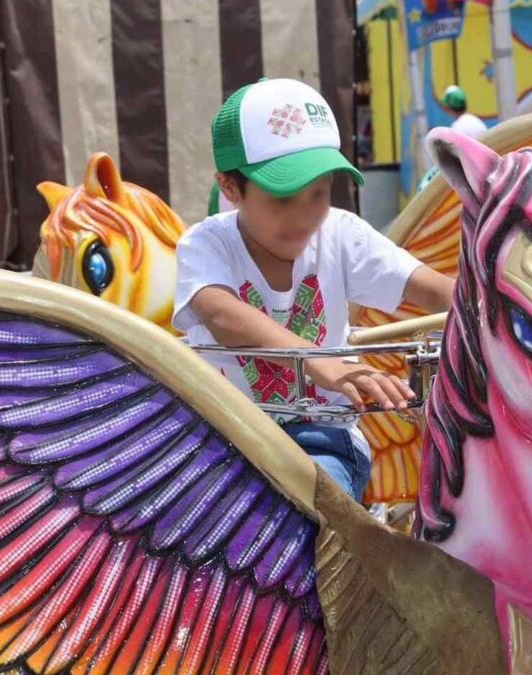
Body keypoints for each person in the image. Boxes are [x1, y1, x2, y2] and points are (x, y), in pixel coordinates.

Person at [174, 78, 455, 502]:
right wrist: (323, 364)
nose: (306, 214)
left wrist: (510, 298)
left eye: (319, 193)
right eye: (283, 199)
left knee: (311, 510)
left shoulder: (340, 233)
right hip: (219, 435)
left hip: (319, 436)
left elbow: (437, 290)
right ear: (231, 189)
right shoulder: (206, 243)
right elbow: (220, 313)